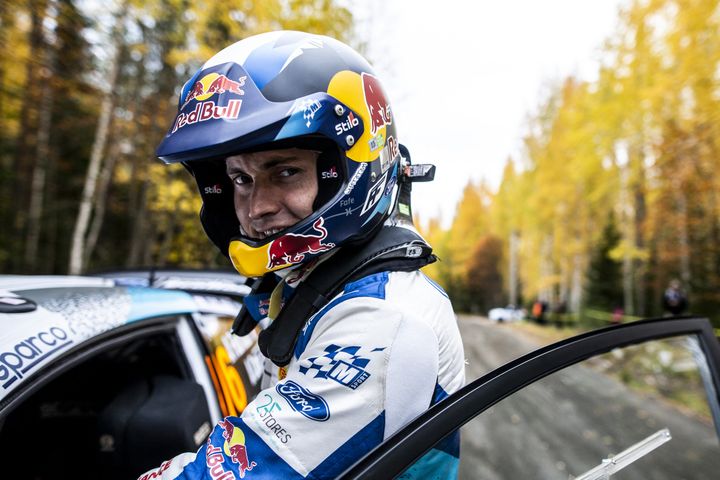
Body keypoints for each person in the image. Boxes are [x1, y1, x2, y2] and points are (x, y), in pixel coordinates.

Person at [139, 31, 465, 479]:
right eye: (240, 180)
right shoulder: (320, 278)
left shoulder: (384, 320)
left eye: (286, 172)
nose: (257, 208)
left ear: (346, 169)